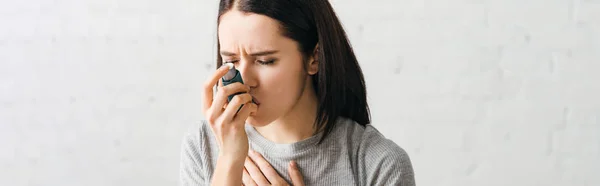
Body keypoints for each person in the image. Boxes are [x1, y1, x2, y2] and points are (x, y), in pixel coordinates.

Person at [179, 0, 415, 185]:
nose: (245, 80)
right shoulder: (203, 145)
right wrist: (229, 161)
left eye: (265, 61)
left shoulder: (380, 164)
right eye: (231, 60)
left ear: (314, 58)